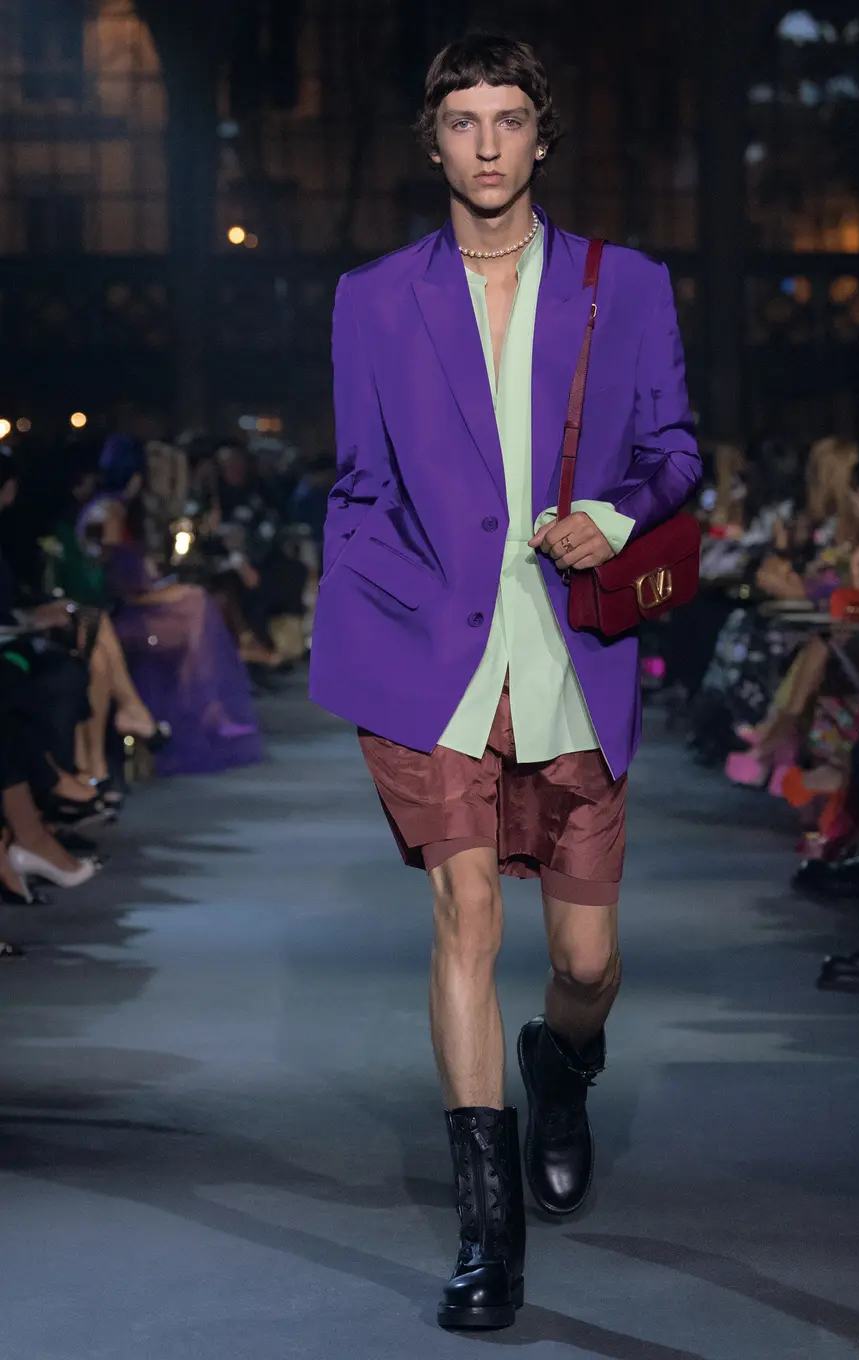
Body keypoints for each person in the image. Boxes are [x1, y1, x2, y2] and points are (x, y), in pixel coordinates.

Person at [310, 34, 700, 1332]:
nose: (487, 143)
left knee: (585, 959)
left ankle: (563, 1064)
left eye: (510, 119)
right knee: (464, 916)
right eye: (464, 121)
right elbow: (359, 481)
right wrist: (368, 607)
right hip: (432, 658)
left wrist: (614, 514)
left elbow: (676, 451)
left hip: (571, 652)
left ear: (542, 135)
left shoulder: (622, 285)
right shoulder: (371, 297)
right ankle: (489, 1240)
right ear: (433, 140)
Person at [78, 435, 263, 776]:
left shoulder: (121, 510)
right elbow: (118, 583)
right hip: (121, 614)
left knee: (197, 605)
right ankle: (206, 708)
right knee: (196, 604)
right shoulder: (110, 512)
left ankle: (205, 708)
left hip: (132, 607)